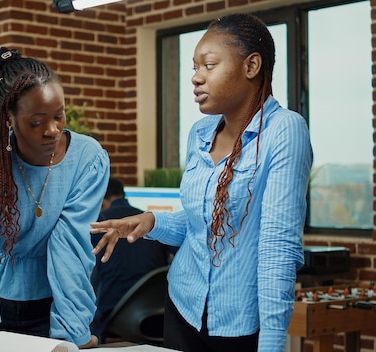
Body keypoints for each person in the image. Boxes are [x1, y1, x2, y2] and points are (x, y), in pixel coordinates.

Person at [91, 13, 313, 352]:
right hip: (182, 307)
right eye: (194, 68)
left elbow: (278, 249)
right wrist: (151, 222)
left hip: (239, 322)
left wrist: (272, 343)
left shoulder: (283, 130)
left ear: (251, 66)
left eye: (208, 65)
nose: (196, 78)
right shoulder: (200, 133)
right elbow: (204, 222)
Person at [0, 47, 109, 352]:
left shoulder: (87, 158)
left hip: (55, 307)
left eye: (59, 116)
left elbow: (71, 247)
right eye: (36, 122)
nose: (52, 130)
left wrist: (71, 335)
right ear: (9, 120)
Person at [89, 177, 172, 343]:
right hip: (155, 318)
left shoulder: (99, 223)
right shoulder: (150, 223)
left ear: (102, 202)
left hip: (110, 317)